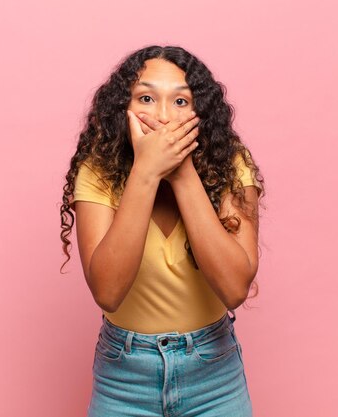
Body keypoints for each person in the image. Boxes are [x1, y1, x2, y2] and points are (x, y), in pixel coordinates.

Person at [59, 45, 265, 416]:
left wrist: (181, 171)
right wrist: (147, 171)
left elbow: (235, 289)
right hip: (124, 375)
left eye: (181, 102)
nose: (164, 116)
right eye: (147, 98)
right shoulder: (99, 170)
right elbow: (107, 291)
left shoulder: (230, 164)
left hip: (214, 374)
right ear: (123, 106)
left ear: (201, 111)